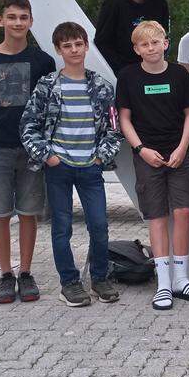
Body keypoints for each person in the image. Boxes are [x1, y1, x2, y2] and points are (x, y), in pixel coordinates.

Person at [20, 22, 124, 307]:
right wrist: (47, 156)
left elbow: (115, 129)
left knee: (99, 225)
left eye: (78, 44)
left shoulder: (101, 87)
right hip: (59, 167)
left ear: (86, 46)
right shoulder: (48, 86)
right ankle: (70, 283)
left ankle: (100, 278)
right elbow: (29, 125)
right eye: (67, 46)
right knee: (62, 227)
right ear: (58, 50)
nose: (74, 50)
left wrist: (101, 156)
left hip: (90, 166)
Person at [116, 21, 189, 310]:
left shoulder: (179, 74)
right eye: (145, 44)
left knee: (182, 211)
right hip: (147, 156)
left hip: (178, 154)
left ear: (166, 44)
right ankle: (163, 283)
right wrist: (141, 150)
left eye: (156, 42)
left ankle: (181, 278)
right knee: (156, 216)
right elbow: (124, 119)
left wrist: (183, 148)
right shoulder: (128, 76)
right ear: (137, 49)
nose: (151, 48)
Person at [0, 0, 56, 306]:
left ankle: (25, 272)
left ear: (31, 21)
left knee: (28, 212)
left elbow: (50, 104)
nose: (18, 22)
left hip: (32, 148)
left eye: (23, 17)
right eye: (12, 17)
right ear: (0, 20)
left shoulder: (42, 60)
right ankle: (5, 274)